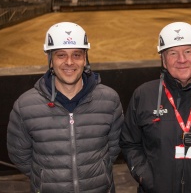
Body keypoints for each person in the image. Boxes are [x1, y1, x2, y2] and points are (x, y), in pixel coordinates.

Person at [7, 22, 124, 193]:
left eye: (77, 55)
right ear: (51, 60)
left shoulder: (109, 100)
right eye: (61, 55)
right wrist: (46, 178)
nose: (69, 62)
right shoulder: (25, 105)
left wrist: (99, 171)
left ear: (85, 59)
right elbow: (19, 155)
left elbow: (114, 147)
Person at [120, 22, 191, 193]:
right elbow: (129, 143)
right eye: (173, 53)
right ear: (163, 60)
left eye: (188, 51)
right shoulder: (143, 95)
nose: (182, 60)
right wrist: (146, 178)